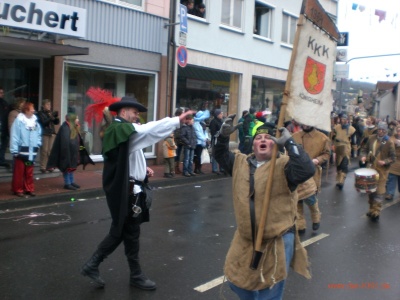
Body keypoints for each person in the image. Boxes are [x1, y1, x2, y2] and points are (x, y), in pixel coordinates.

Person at [80, 96, 194, 290]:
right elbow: (148, 130)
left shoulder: (123, 132)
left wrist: (143, 170)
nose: (136, 116)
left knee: (123, 231)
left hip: (133, 188)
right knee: (128, 232)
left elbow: (133, 154)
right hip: (128, 191)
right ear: (124, 112)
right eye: (134, 112)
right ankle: (134, 275)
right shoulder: (121, 130)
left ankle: (95, 265)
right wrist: (175, 120)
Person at [213, 117, 315, 299]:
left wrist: (290, 142)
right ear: (253, 145)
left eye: (268, 138)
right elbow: (220, 155)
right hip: (246, 239)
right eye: (258, 138)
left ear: (276, 144)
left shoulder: (285, 166)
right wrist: (222, 136)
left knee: (270, 290)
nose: (262, 140)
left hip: (278, 239)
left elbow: (306, 170)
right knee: (238, 282)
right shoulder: (239, 163)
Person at [292, 124, 331, 234]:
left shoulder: (323, 138)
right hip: (297, 173)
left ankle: (316, 217)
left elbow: (327, 154)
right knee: (297, 199)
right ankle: (300, 224)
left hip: (312, 173)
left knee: (311, 199)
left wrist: (318, 160)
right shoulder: (294, 136)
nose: (305, 125)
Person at [47, 113, 94, 190]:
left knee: (71, 167)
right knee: (67, 167)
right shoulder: (65, 128)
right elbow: (65, 142)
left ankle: (71, 181)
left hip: (72, 152)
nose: (78, 120)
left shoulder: (73, 127)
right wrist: (67, 153)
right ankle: (67, 183)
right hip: (67, 152)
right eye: (76, 118)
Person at [360, 122, 395, 221]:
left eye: (383, 130)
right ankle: (371, 209)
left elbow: (393, 158)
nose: (381, 132)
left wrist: (385, 161)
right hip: (371, 169)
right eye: (379, 129)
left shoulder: (389, 142)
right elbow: (364, 149)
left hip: (382, 171)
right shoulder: (371, 138)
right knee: (371, 191)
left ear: (386, 131)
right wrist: (363, 156)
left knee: (379, 192)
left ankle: (376, 212)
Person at [9, 102, 42, 197]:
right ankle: (18, 189)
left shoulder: (35, 122)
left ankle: (29, 188)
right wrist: (14, 150)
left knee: (29, 171)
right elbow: (14, 136)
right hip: (21, 151)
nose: (33, 110)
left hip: (31, 152)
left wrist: (38, 144)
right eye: (32, 108)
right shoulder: (19, 121)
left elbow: (39, 134)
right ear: (26, 110)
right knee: (19, 172)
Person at [332, 114, 356, 190]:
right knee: (338, 165)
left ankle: (341, 181)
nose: (342, 120)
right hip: (338, 147)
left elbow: (354, 140)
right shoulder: (336, 127)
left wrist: (354, 149)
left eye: (344, 119)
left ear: (347, 120)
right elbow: (333, 137)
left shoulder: (352, 129)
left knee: (344, 165)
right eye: (341, 119)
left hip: (346, 148)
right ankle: (339, 180)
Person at [36, 99, 60, 173]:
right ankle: (43, 166)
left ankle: (50, 166)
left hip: (51, 133)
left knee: (50, 151)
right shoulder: (40, 113)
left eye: (50, 104)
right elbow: (44, 122)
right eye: (47, 104)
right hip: (45, 133)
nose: (49, 106)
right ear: (43, 106)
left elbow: (56, 122)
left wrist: (56, 117)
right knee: (44, 150)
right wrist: (51, 117)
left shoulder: (50, 113)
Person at [385, 125, 400, 201]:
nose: (398, 132)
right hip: (394, 161)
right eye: (398, 131)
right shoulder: (392, 138)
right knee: (391, 178)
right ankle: (390, 193)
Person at [209, 109, 224, 174]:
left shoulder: (221, 121)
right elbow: (213, 132)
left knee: (221, 154)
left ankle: (222, 168)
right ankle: (214, 168)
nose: (222, 115)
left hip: (221, 140)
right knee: (215, 154)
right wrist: (219, 133)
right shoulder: (213, 122)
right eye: (221, 114)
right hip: (216, 140)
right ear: (217, 115)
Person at [0, 87, 11, 168]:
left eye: (2, 93)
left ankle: (1, 159)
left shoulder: (5, 104)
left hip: (4, 128)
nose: (2, 94)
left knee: (3, 145)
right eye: (0, 92)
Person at [173, 107, 184, 174]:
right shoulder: (176, 120)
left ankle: (177, 167)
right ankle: (174, 168)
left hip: (180, 140)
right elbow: (176, 131)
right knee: (176, 154)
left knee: (179, 154)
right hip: (176, 140)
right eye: (183, 112)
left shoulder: (182, 120)